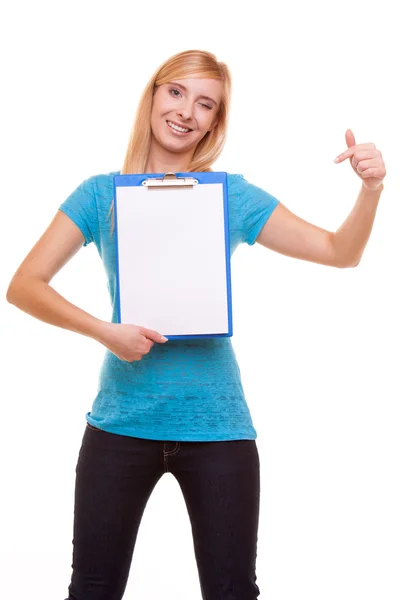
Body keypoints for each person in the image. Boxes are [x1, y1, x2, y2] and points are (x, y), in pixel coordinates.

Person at [6, 49, 386, 600]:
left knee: (233, 592)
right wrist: (104, 331)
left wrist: (370, 190)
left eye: (205, 103)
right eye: (177, 92)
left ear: (214, 122)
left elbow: (338, 251)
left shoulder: (227, 197)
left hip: (218, 430)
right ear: (154, 95)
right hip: (119, 425)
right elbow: (23, 286)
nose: (187, 111)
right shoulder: (99, 195)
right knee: (92, 589)